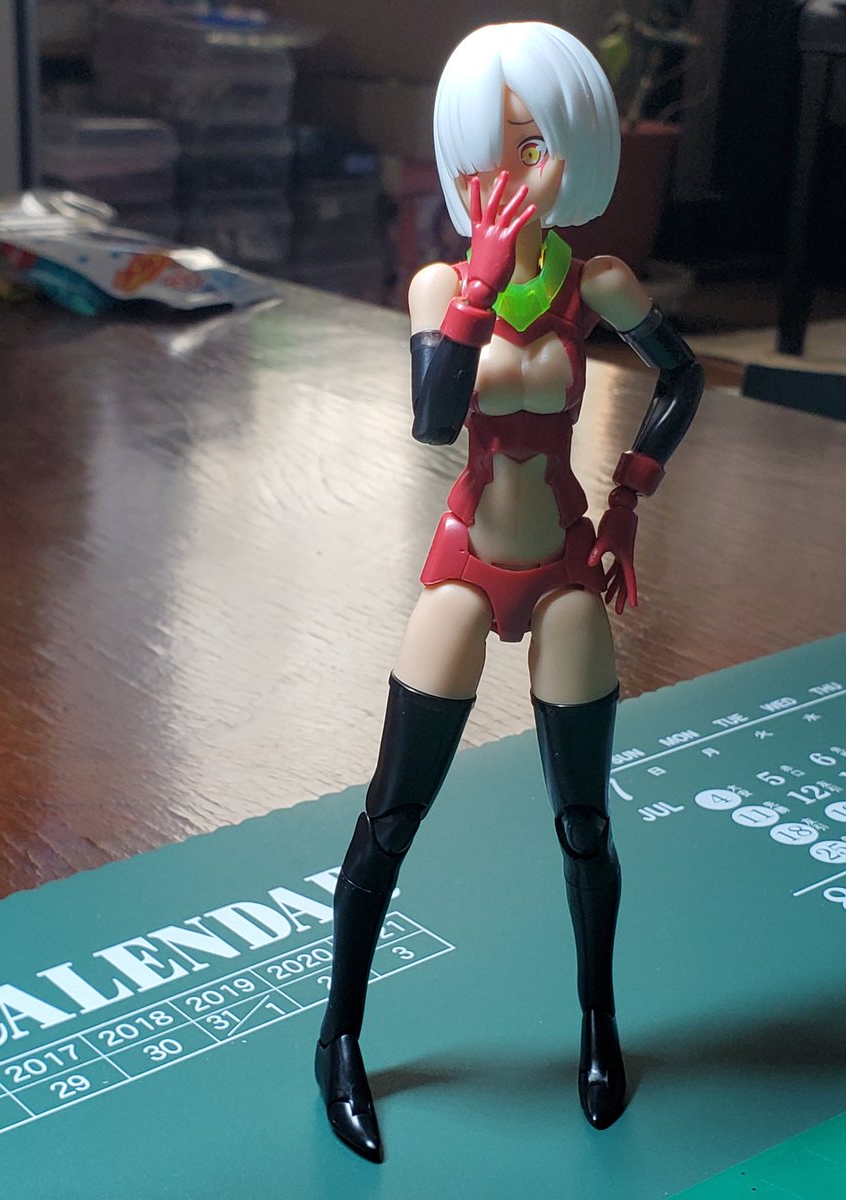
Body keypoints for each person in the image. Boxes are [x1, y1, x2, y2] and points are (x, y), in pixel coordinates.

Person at [315, 21, 703, 1161]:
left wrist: (630, 496)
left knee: (584, 823)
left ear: (571, 150)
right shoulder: (442, 284)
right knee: (393, 814)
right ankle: (339, 1036)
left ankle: (599, 1024)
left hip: (566, 561)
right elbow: (434, 418)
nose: (510, 172)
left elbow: (680, 378)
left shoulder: (597, 283)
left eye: (533, 145)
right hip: (466, 561)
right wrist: (479, 280)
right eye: (490, 148)